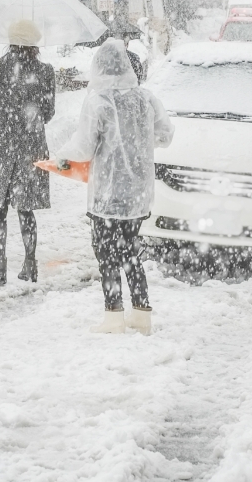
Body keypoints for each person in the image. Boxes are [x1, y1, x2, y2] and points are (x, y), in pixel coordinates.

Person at [56, 39, 174, 334]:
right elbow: (165, 135)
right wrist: (139, 142)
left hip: (107, 194)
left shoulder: (98, 102)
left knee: (106, 253)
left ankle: (113, 317)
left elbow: (84, 147)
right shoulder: (145, 99)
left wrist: (62, 157)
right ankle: (141, 315)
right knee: (130, 251)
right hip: (138, 193)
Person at [0, 19, 55, 285]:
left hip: (1, 146)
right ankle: (30, 263)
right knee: (25, 208)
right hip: (31, 147)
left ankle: (0, 267)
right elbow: (49, 113)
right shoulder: (45, 71)